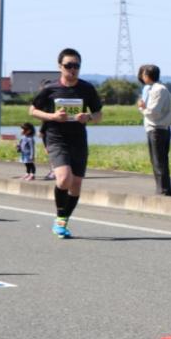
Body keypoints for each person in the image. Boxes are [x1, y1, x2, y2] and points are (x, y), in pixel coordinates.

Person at [28, 49, 103, 238]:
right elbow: (32, 110)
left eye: (76, 65)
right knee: (63, 179)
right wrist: (53, 116)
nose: (72, 69)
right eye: (68, 65)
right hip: (56, 137)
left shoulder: (87, 88)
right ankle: (60, 217)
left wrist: (88, 117)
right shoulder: (50, 89)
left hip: (78, 139)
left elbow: (99, 114)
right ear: (60, 67)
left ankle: (63, 220)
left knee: (76, 184)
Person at [137, 64, 171, 196]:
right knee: (158, 161)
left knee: (159, 161)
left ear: (147, 75)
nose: (141, 76)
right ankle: (162, 189)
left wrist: (142, 108)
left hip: (157, 129)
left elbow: (153, 112)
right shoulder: (153, 89)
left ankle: (163, 190)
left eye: (142, 74)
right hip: (157, 128)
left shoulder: (158, 90)